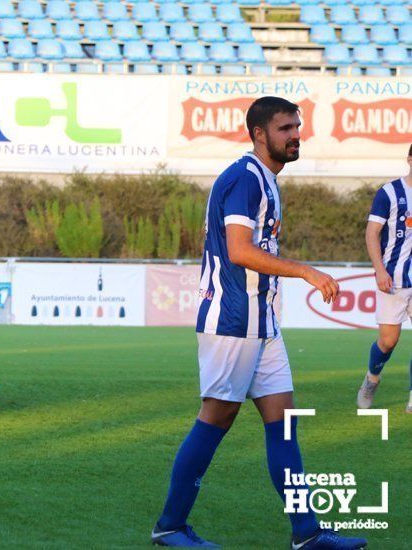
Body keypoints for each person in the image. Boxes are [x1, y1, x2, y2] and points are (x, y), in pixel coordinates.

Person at [150, 97, 366, 549]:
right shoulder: (245, 179)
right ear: (258, 133)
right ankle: (170, 526)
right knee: (216, 416)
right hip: (232, 319)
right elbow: (240, 251)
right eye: (285, 128)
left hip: (262, 320)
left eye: (297, 126)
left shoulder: (265, 179)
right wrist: (307, 271)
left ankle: (306, 533)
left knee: (283, 422)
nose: (295, 135)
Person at [359, 143, 412, 414]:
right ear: (409, 159)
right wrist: (379, 269)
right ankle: (372, 378)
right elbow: (372, 233)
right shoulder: (390, 193)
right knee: (388, 341)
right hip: (394, 278)